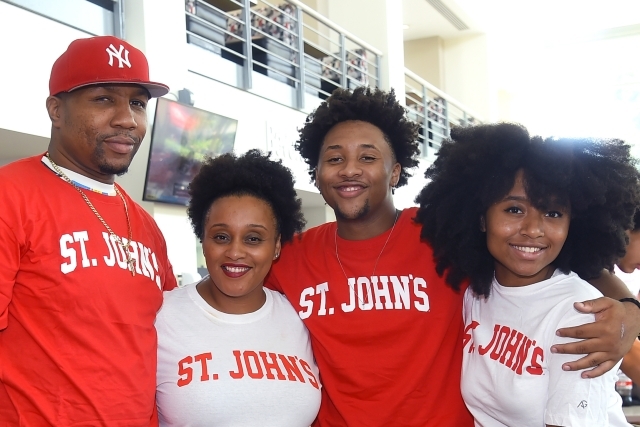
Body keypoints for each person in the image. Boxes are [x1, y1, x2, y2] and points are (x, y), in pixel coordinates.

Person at [265, 87, 640, 427]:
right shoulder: (290, 256)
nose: (349, 169)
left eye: (367, 157)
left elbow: (570, 264)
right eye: (334, 159)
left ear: (394, 172)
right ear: (316, 174)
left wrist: (629, 311)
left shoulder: (439, 233)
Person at [0, 36, 177, 426]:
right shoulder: (9, 194)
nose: (126, 119)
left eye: (137, 103)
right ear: (56, 110)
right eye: (103, 99)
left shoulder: (146, 226)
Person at [415, 123, 639, 426]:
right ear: (481, 219)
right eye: (514, 210)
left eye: (553, 213)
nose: (533, 229)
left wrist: (631, 311)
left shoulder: (581, 312)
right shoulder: (477, 293)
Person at [155, 150, 321, 426]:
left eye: (253, 238)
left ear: (277, 245)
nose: (235, 252)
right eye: (221, 236)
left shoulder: (300, 318)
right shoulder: (160, 316)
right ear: (203, 240)